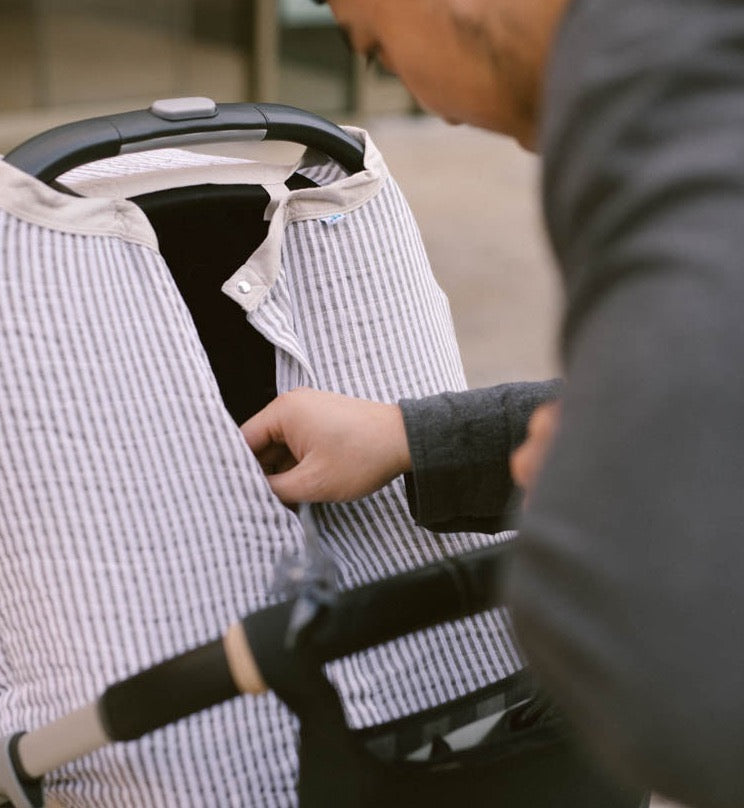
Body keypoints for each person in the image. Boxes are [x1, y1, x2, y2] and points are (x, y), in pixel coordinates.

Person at [241, 1, 744, 807]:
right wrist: (409, 436)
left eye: (378, 52)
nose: (433, 107)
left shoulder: (658, 111)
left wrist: (581, 513)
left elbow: (680, 696)